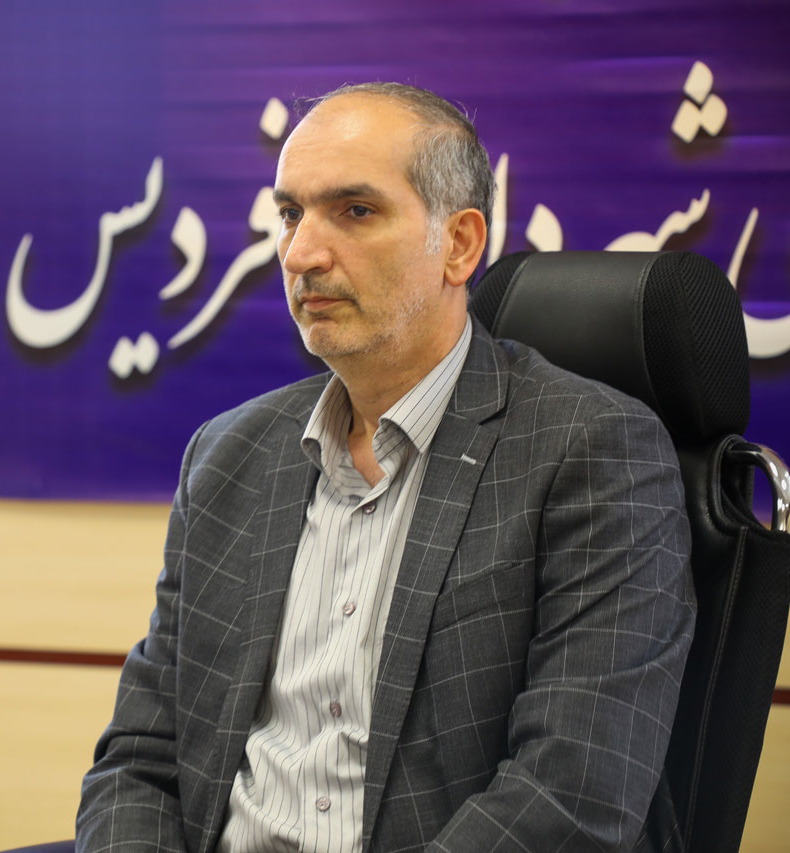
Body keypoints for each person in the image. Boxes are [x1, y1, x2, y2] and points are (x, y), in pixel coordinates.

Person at [76, 83, 695, 852]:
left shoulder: (593, 450)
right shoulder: (228, 454)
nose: (300, 254)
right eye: (290, 214)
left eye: (355, 210)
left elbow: (571, 795)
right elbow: (139, 759)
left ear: (459, 244)